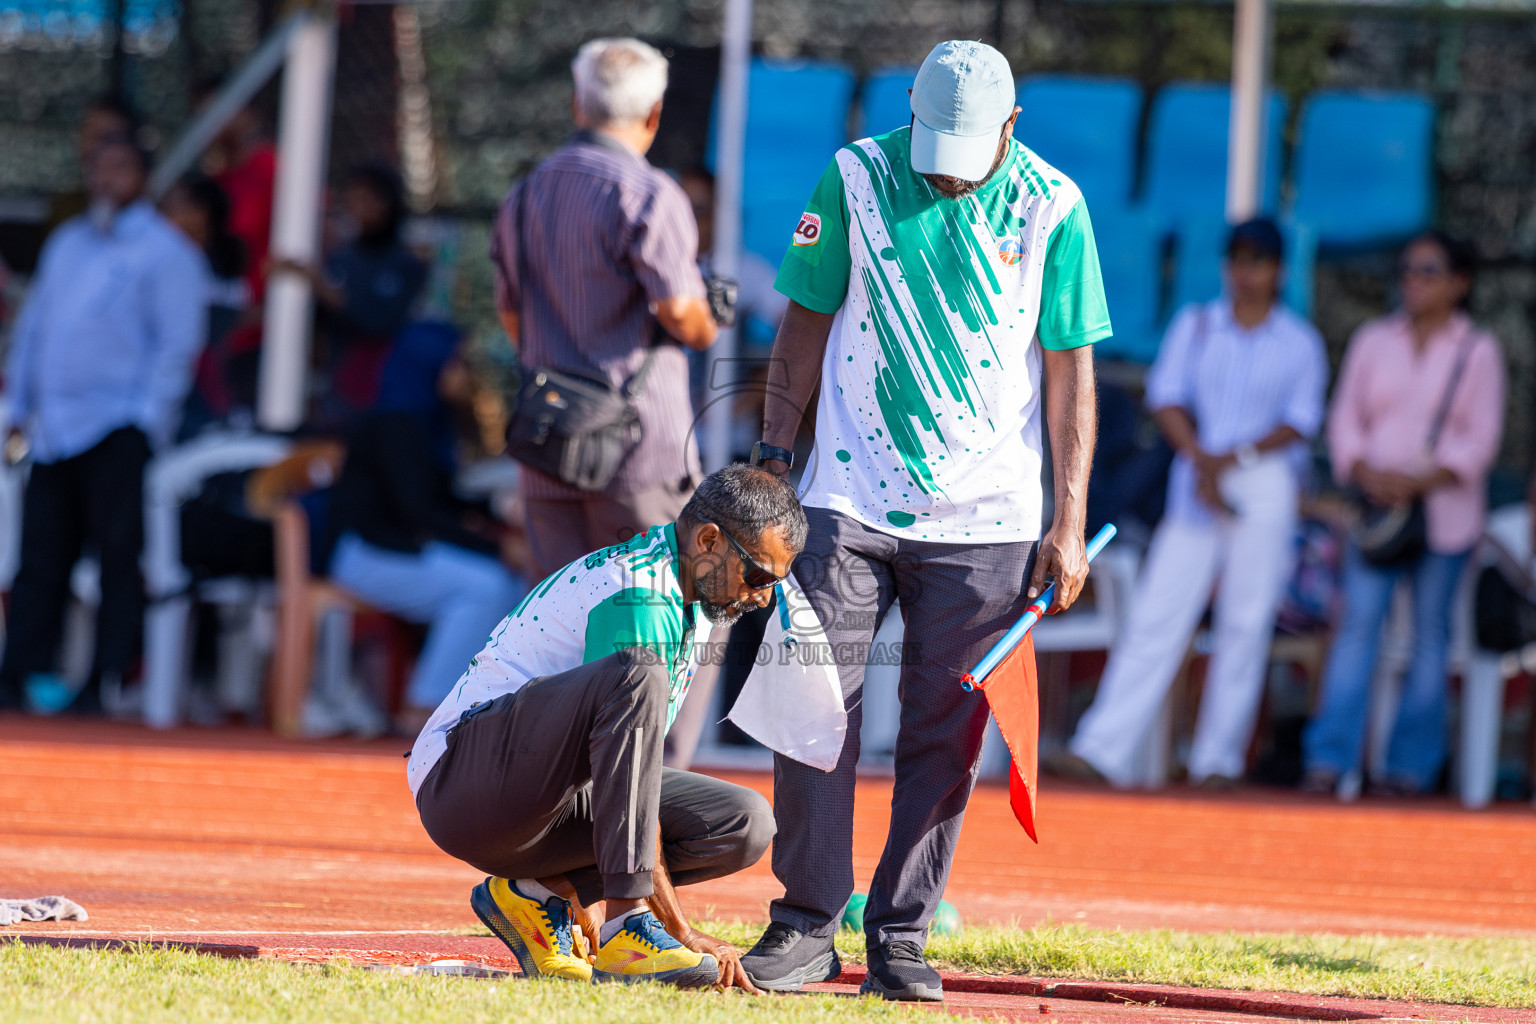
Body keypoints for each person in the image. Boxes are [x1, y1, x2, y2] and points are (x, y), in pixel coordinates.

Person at [740, 40, 1106, 1001]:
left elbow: (1070, 371)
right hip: (844, 498)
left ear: (1012, 129)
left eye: (968, 148)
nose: (945, 167)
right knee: (813, 707)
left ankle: (901, 933)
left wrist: (1068, 521)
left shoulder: (1054, 206)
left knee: (948, 728)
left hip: (988, 519)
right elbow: (803, 322)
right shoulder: (858, 176)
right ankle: (807, 923)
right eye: (933, 142)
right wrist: (777, 458)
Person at [407, 464, 802, 989]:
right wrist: (674, 926)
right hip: (465, 783)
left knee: (742, 821)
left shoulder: (697, 592)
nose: (762, 597)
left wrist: (591, 891)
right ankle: (628, 925)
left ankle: (535, 895)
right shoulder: (638, 592)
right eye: (759, 576)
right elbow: (615, 764)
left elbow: (630, 775)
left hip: (542, 793)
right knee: (638, 674)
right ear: (709, 540)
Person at [1057, 219, 1329, 789]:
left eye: (1256, 261)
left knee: (1245, 622)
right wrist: (1204, 460)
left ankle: (1218, 762)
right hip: (1196, 478)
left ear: (1278, 271)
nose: (1244, 272)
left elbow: (1299, 423)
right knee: (1157, 616)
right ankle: (1101, 749)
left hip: (1261, 480)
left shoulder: (1299, 341)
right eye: (1236, 260)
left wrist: (1227, 461)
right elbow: (1166, 398)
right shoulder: (1198, 325)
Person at [489, 38, 720, 581]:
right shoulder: (650, 194)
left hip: (548, 446)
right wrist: (708, 318)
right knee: (661, 626)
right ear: (653, 113)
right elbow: (683, 315)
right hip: (639, 452)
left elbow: (511, 319)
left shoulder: (523, 196)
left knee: (559, 629)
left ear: (578, 103)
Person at [0, 138, 208, 713]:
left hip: (117, 425)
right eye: (97, 167)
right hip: (54, 427)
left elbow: (176, 346)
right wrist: (22, 405)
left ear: (144, 176)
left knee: (119, 558)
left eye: (119, 168)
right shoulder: (68, 243)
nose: (105, 179)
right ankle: (21, 673)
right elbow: (35, 327)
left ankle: (105, 681)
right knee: (40, 555)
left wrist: (145, 422)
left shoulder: (166, 252)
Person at [1301, 231, 1505, 797]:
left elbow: (1480, 440)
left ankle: (1409, 771)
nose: (1413, 280)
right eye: (1408, 270)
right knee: (1357, 629)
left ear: (1460, 283)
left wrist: (1415, 480)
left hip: (1444, 518)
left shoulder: (1478, 349)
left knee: (1429, 639)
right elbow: (1344, 419)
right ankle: (1329, 762)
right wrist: (1368, 473)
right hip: (1377, 516)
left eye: (1428, 271)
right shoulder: (1374, 339)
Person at [326, 322, 525, 731]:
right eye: (456, 363)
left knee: (501, 583)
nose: (463, 374)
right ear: (428, 363)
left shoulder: (425, 417)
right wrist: (496, 548)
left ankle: (469, 705)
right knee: (487, 584)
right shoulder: (394, 424)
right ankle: (425, 706)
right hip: (368, 553)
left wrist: (496, 510)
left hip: (402, 547)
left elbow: (440, 497)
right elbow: (418, 512)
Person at [271, 162, 427, 426]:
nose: (357, 207)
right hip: (338, 392)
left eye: (365, 199)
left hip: (389, 395)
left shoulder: (406, 264)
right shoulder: (341, 258)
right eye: (352, 199)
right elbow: (318, 326)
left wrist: (320, 284)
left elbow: (376, 323)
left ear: (387, 203)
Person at [160, 173, 254, 437]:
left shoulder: (227, 258)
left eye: (177, 207)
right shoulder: (161, 260)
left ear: (202, 212)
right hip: (176, 384)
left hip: (215, 386)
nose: (166, 217)